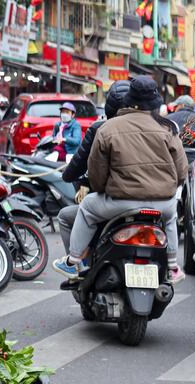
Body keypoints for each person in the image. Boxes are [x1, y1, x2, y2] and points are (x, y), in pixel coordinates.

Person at [53, 76, 188, 284]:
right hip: (163, 204)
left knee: (87, 207)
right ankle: (172, 266)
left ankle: (73, 261)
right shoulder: (168, 128)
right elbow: (181, 172)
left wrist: (102, 189)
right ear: (155, 102)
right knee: (170, 217)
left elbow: (96, 175)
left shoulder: (107, 128)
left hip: (120, 203)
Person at [57, 80, 131, 256]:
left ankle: (75, 264)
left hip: (114, 200)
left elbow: (93, 173)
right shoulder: (160, 126)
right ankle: (171, 267)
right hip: (157, 202)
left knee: (71, 214)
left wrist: (85, 183)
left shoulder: (101, 129)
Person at [167, 94, 195, 163]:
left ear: (182, 105)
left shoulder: (168, 118)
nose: (175, 108)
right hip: (194, 159)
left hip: (173, 158)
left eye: (176, 106)